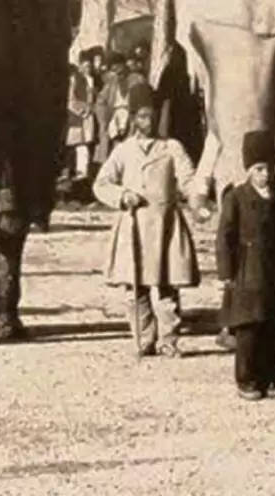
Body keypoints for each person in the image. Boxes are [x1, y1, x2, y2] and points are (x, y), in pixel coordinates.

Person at [94, 82, 201, 358]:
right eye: (141, 116)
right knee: (135, 288)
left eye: (151, 115)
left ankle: (169, 339)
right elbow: (101, 183)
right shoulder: (124, 151)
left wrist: (198, 200)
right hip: (133, 227)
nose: (148, 121)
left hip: (164, 224)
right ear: (132, 118)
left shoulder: (171, 147)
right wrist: (122, 195)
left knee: (166, 287)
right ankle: (144, 338)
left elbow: (188, 179)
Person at [216, 130, 275, 400]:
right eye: (259, 169)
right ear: (248, 170)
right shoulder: (237, 197)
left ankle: (271, 380)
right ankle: (247, 380)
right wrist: (226, 271)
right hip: (248, 271)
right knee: (250, 329)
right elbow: (225, 237)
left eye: (269, 168)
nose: (265, 175)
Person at [66, 50, 98, 183]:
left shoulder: (92, 80)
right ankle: (73, 170)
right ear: (80, 66)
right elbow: (70, 99)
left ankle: (83, 172)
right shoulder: (74, 80)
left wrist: (90, 109)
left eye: (89, 66)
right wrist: (82, 110)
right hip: (76, 115)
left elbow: (93, 98)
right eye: (84, 66)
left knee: (83, 144)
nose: (87, 69)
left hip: (88, 116)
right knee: (76, 144)